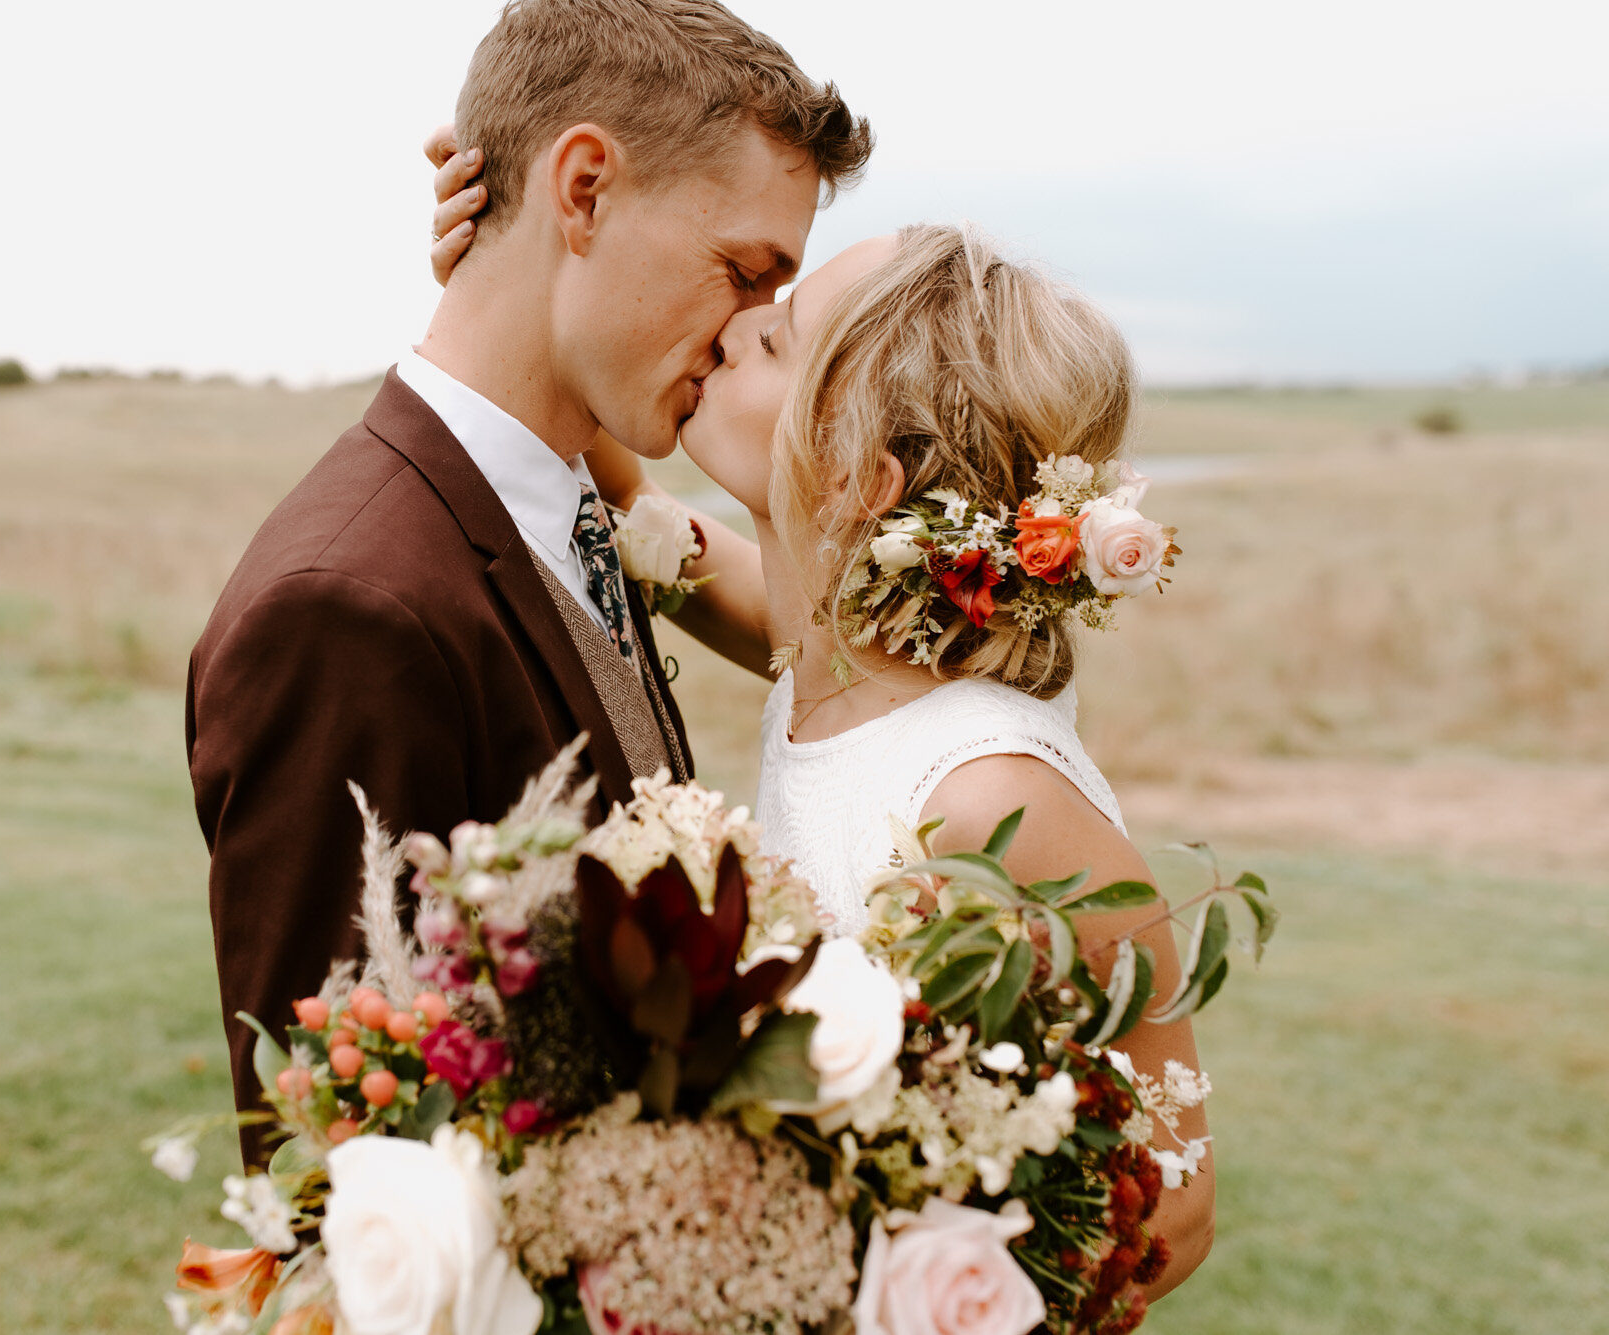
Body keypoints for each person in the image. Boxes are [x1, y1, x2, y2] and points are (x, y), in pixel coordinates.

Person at [429, 164, 1215, 1293]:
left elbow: (1171, 1211)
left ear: (853, 477)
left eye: (775, 344)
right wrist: (514, 276)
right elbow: (643, 519)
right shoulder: (833, 661)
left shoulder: (989, 800)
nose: (737, 325)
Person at [185, 0, 870, 1168]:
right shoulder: (344, 610)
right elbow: (334, 1166)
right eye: (741, 272)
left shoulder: (568, 499)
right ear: (586, 189)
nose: (750, 335)